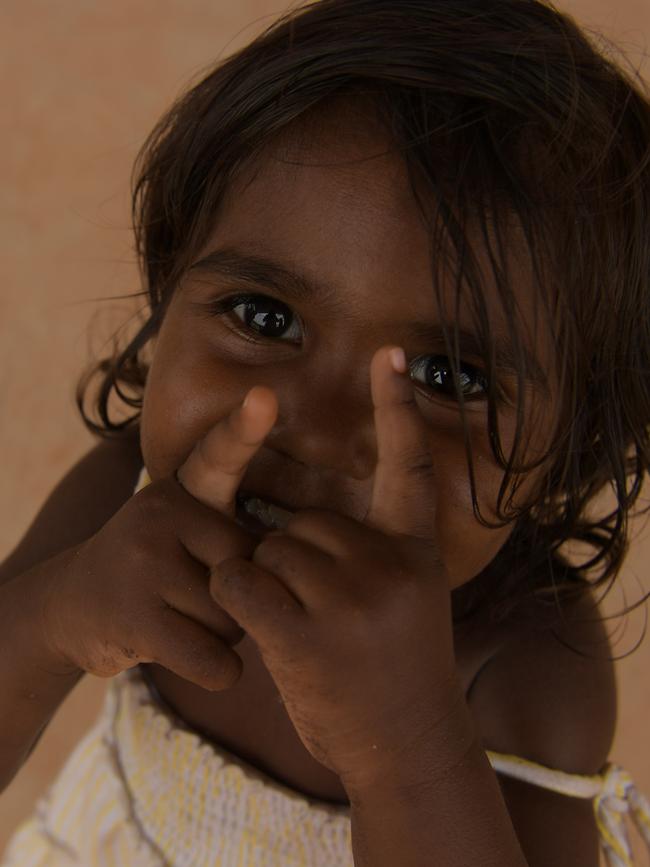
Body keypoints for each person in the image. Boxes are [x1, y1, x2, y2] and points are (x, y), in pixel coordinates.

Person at [1, 0, 650, 864]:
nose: (316, 427)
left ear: (574, 455)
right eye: (264, 316)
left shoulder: (524, 658)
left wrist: (410, 743)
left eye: (446, 378)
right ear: (166, 293)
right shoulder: (125, 502)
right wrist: (54, 612)